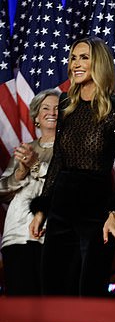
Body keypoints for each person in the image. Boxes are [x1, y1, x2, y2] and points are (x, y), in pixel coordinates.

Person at [29, 36, 115, 296]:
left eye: (84, 57)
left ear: (98, 63)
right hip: (61, 206)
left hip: (96, 209)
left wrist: (114, 213)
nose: (75, 63)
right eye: (73, 57)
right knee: (53, 289)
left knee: (89, 292)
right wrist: (43, 208)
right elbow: (58, 161)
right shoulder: (65, 103)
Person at [0, 89, 59, 295]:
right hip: (16, 236)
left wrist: (35, 165)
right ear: (36, 116)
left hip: (51, 235)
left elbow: (62, 187)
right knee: (20, 310)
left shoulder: (70, 148)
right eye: (45, 108)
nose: (52, 112)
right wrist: (20, 172)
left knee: (51, 308)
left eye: (58, 108)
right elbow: (2, 191)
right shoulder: (24, 149)